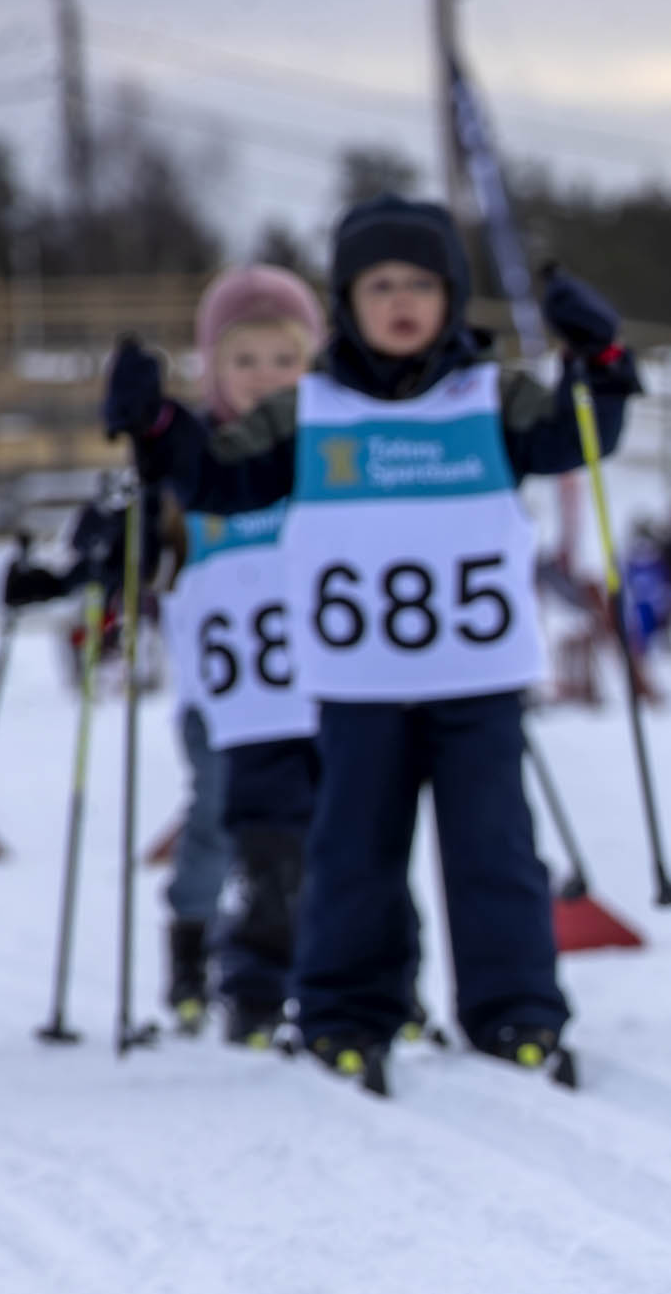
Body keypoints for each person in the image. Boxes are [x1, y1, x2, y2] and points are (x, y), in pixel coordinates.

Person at [108, 194, 638, 1092]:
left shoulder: (488, 395)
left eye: (422, 285)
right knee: (354, 853)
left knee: (497, 851)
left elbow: (574, 439)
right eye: (379, 285)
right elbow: (221, 480)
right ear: (347, 300)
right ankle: (346, 1013)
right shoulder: (310, 410)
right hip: (357, 684)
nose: (401, 303)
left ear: (452, 296)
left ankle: (514, 1010)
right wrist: (157, 427)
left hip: (477, 678)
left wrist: (603, 360)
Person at [167, 265, 329, 1047]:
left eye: (283, 359)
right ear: (212, 368)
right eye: (245, 361)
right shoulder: (193, 467)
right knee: (218, 826)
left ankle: (328, 968)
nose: (265, 379)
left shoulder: (329, 455)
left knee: (334, 833)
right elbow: (139, 545)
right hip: (225, 699)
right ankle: (192, 945)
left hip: (322, 689)